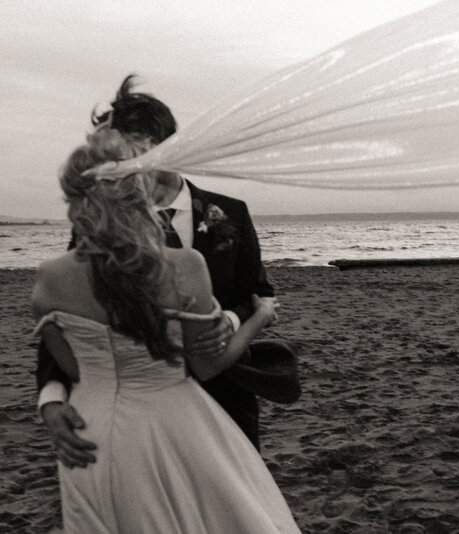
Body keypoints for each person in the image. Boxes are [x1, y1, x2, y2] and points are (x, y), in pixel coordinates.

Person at [32, 128, 300, 532]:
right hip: (172, 423)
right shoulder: (184, 266)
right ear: (141, 188)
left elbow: (72, 366)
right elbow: (207, 366)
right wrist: (260, 318)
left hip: (91, 429)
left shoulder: (49, 277)